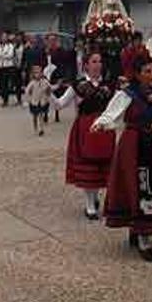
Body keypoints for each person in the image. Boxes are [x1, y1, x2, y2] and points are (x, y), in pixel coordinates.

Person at [91, 56, 152, 262]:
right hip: (133, 145)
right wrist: (101, 123)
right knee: (136, 186)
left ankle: (143, 231)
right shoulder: (129, 93)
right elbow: (112, 113)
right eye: (147, 71)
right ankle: (142, 236)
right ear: (137, 74)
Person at [53, 52, 117, 220]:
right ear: (86, 65)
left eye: (100, 61)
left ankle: (96, 198)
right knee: (88, 165)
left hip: (104, 127)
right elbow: (59, 104)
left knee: (104, 166)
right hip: (85, 128)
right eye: (94, 61)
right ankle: (90, 204)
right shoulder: (78, 86)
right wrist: (47, 92)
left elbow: (117, 107)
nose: (98, 65)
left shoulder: (109, 85)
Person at [24, 65, 53, 136]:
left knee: (41, 115)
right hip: (34, 102)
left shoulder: (45, 81)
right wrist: (27, 101)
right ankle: (35, 128)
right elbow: (27, 91)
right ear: (33, 74)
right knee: (34, 116)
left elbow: (50, 88)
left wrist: (50, 90)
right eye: (36, 73)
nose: (38, 74)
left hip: (42, 101)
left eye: (39, 72)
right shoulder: (32, 83)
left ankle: (41, 129)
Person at [0, 32, 16, 107]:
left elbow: (10, 55)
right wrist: (3, 55)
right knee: (0, 84)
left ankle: (6, 100)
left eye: (5, 37)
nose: (4, 38)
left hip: (7, 66)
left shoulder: (10, 46)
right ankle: (3, 96)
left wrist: (1, 56)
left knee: (5, 83)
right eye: (2, 37)